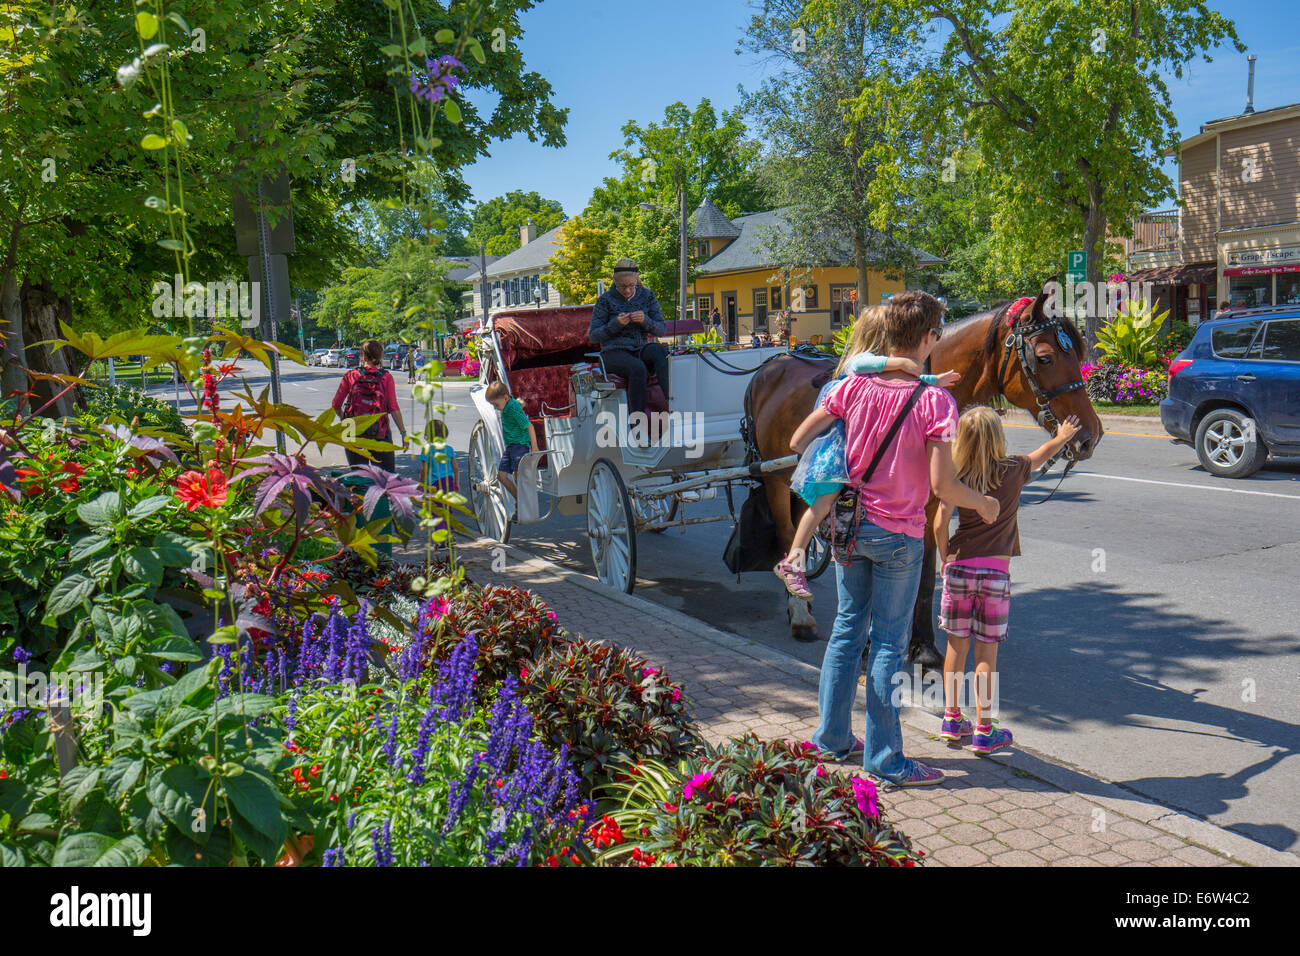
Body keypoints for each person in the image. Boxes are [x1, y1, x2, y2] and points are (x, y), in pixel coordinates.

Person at [806, 291, 999, 788]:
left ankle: (830, 740)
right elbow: (942, 487)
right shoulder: (935, 401)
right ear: (930, 337)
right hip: (900, 535)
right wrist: (982, 503)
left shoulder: (853, 385)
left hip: (850, 527)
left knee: (847, 629)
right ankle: (887, 759)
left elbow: (797, 441)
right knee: (889, 644)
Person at [775, 305, 961, 599]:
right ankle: (793, 562)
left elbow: (910, 378)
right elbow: (866, 366)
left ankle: (794, 562)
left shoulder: (867, 373)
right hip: (838, 458)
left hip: (844, 461)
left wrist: (933, 380)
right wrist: (903, 362)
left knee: (849, 619)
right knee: (819, 508)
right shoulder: (861, 366)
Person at [934, 407, 1080, 754]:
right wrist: (1062, 436)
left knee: (956, 647)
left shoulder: (957, 476)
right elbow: (1043, 453)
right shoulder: (1013, 470)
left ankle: (952, 719)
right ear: (998, 437)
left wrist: (944, 560)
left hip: (958, 569)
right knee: (987, 652)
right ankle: (985, 729)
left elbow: (940, 524)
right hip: (996, 576)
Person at [589, 259, 669, 416]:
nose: (627, 291)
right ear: (615, 282)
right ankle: (638, 422)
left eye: (631, 286)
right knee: (637, 368)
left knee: (660, 352)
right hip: (613, 352)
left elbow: (661, 330)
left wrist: (646, 321)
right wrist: (616, 324)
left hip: (640, 348)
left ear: (637, 281)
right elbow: (594, 336)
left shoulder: (648, 296)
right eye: (622, 286)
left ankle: (670, 403)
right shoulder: (605, 300)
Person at [331, 339, 405, 471]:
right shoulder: (386, 377)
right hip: (380, 432)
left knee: (359, 479)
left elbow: (336, 404)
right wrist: (403, 433)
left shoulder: (351, 375)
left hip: (354, 431)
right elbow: (393, 407)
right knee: (385, 479)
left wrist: (344, 419)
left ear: (363, 356)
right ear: (380, 356)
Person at [485, 381, 536, 502]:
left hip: (519, 445)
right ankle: (520, 500)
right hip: (511, 447)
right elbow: (517, 404)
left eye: (496, 405)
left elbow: (529, 426)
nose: (495, 408)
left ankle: (523, 503)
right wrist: (520, 404)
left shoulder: (512, 409)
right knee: (501, 476)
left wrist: (534, 447)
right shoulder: (509, 405)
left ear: (506, 398)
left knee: (518, 475)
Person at [419, 419, 457, 552]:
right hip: (449, 482)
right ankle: (451, 538)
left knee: (436, 512)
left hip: (434, 484)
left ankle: (441, 541)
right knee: (448, 510)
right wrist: (456, 483)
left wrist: (422, 484)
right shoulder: (449, 449)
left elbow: (424, 470)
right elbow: (455, 468)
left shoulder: (427, 450)